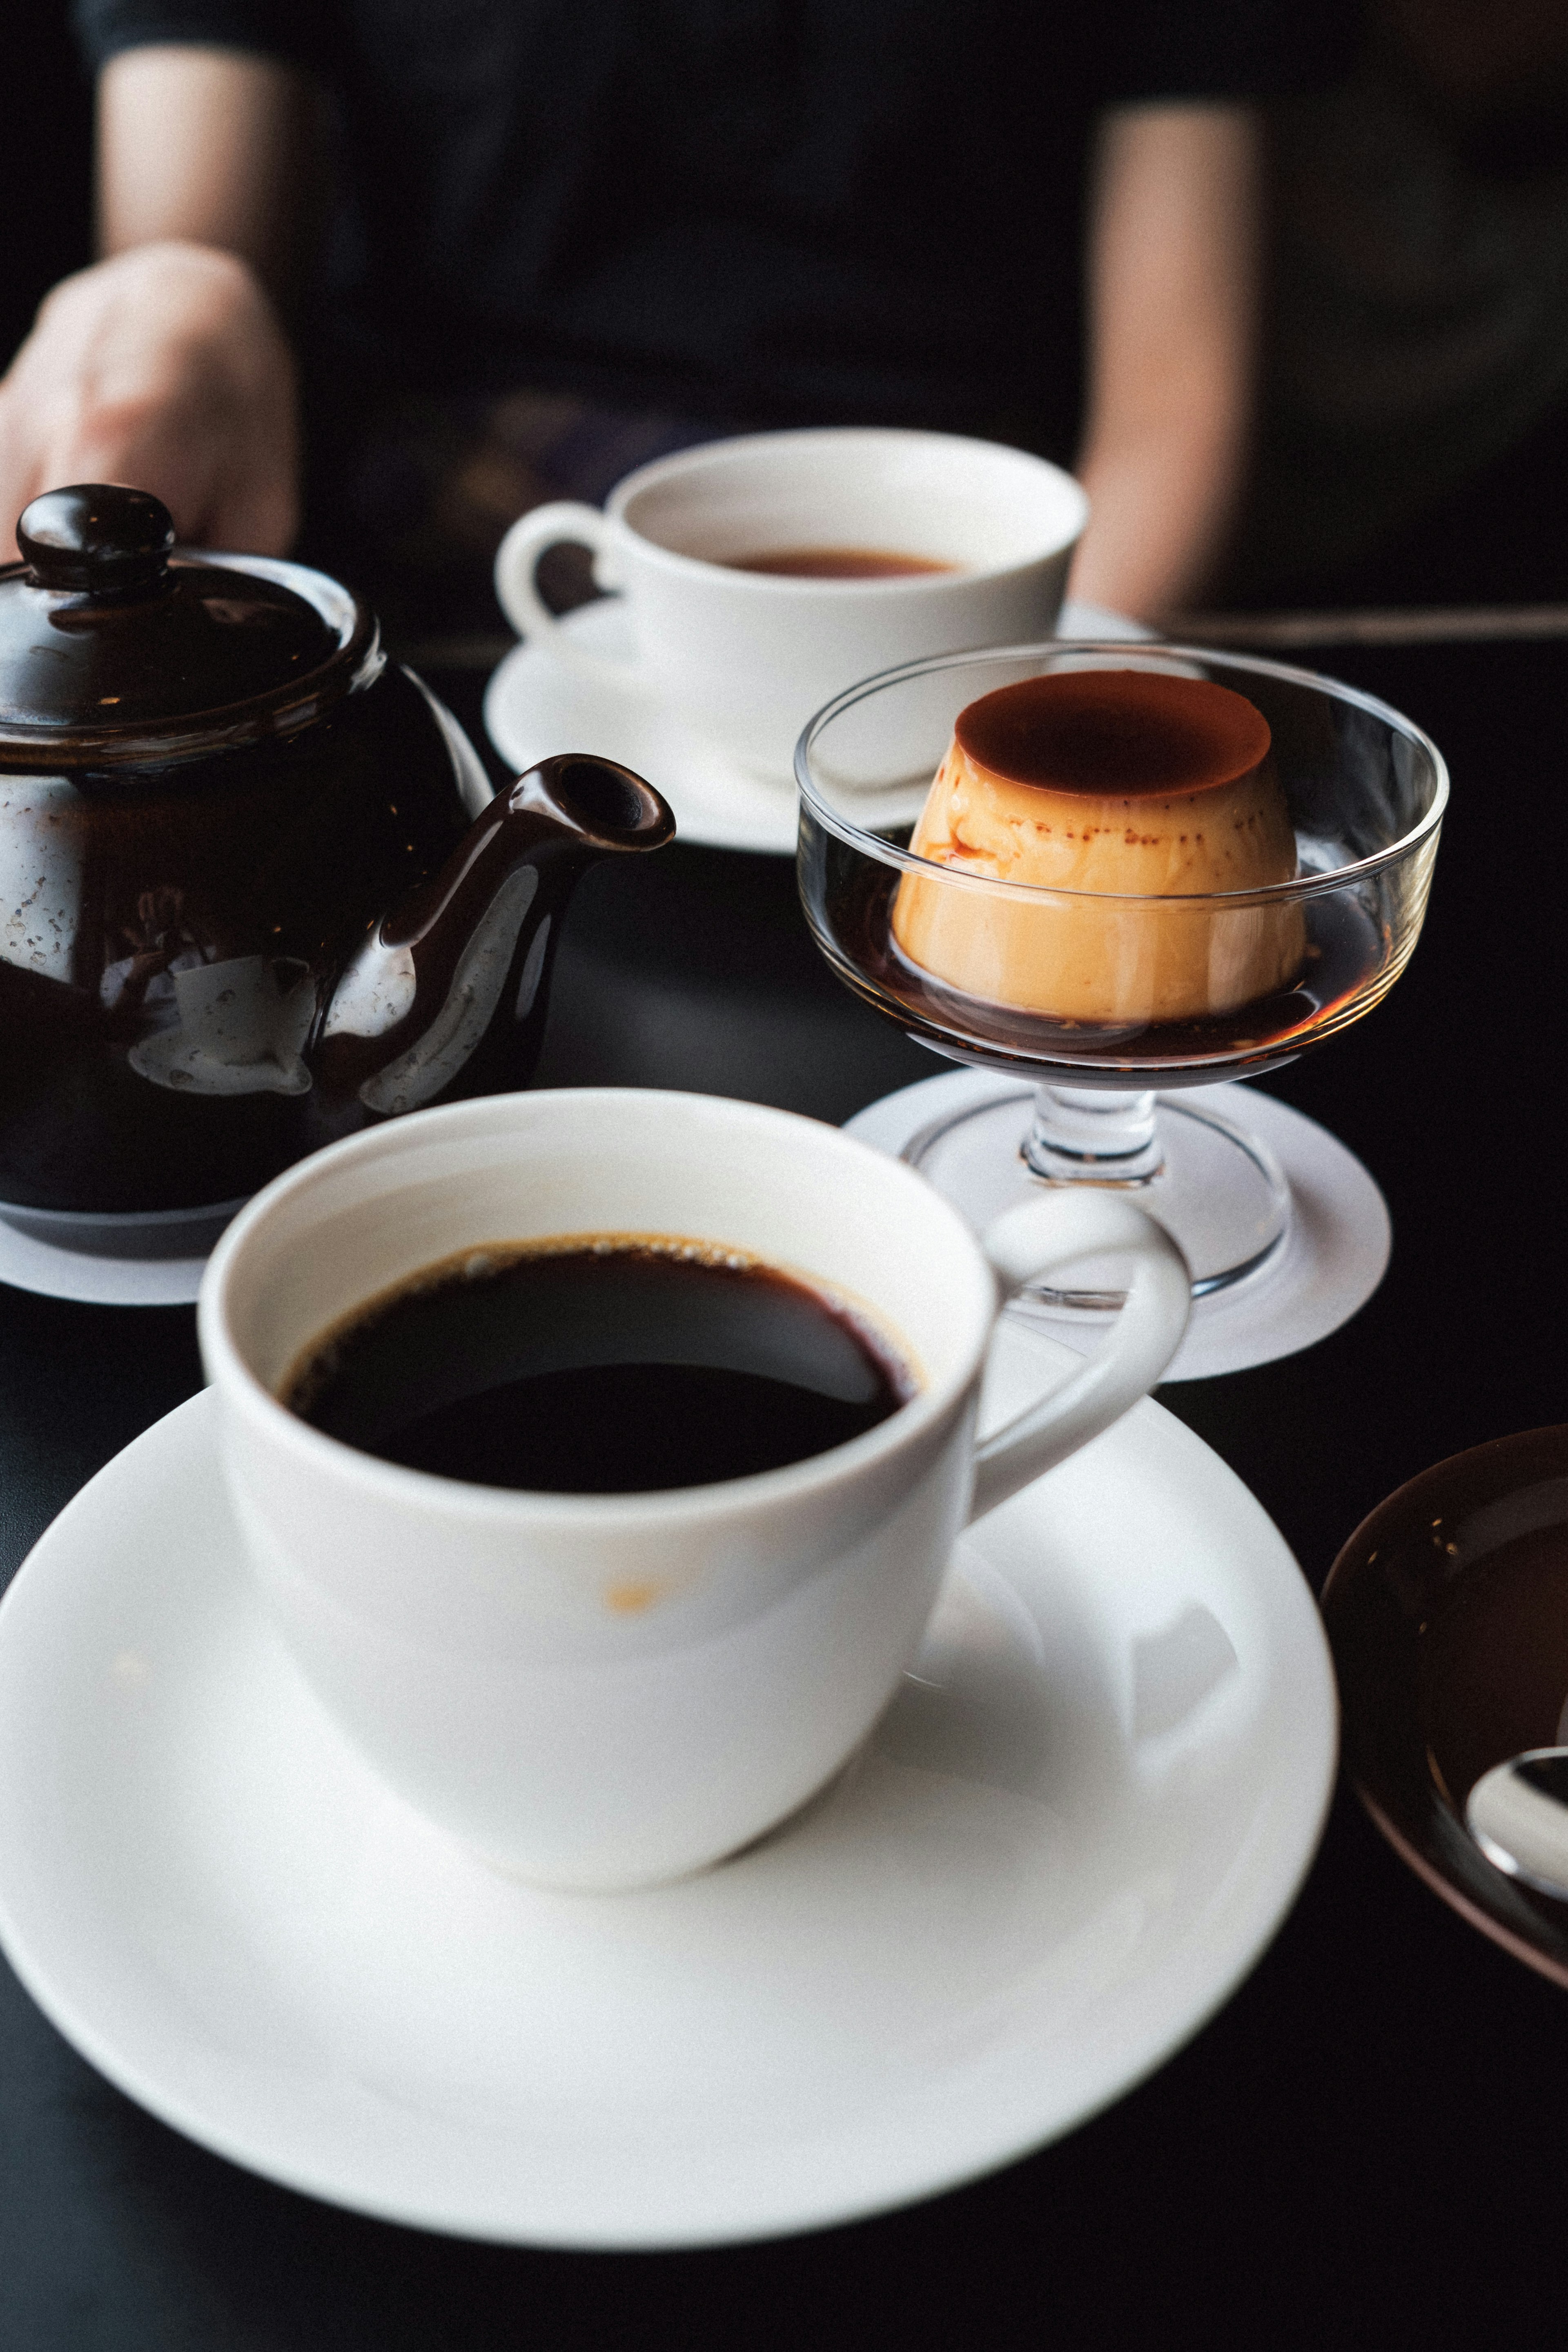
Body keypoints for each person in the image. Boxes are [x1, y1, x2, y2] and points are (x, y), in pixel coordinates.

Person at [0, 4, 1352, 624]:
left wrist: (1058, 702)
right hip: (431, 592)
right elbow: (194, 248)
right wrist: (171, 304)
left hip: (959, 582)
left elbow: (1175, 402)